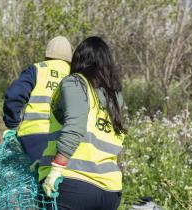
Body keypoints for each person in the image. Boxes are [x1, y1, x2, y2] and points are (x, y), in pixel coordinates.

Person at [38, 36, 125, 210]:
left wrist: (55, 170)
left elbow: (74, 128)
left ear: (78, 59)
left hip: (74, 183)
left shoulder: (75, 83)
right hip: (110, 191)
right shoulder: (115, 96)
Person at [2, 36, 72, 162]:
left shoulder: (37, 69)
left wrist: (12, 124)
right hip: (65, 140)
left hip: (33, 137)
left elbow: (14, 94)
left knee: (31, 179)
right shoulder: (75, 76)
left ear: (47, 55)